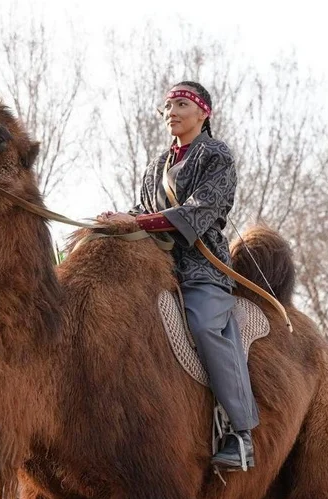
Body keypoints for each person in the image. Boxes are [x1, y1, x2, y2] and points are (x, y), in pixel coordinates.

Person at [97, 81, 257, 471]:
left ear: (204, 112)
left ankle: (240, 433)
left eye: (181, 104)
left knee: (204, 326)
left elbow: (198, 214)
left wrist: (134, 220)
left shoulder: (216, 156)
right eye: (167, 105)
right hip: (154, 267)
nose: (171, 111)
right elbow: (141, 208)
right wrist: (113, 222)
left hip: (201, 269)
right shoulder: (156, 166)